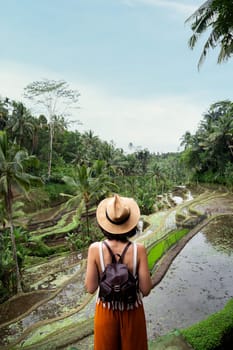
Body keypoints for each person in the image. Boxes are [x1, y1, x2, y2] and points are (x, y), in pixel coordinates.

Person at [85, 194, 152, 350]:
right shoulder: (139, 250)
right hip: (132, 311)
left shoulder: (95, 249)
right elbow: (146, 289)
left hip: (105, 311)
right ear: (130, 223)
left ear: (105, 223)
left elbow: (90, 288)